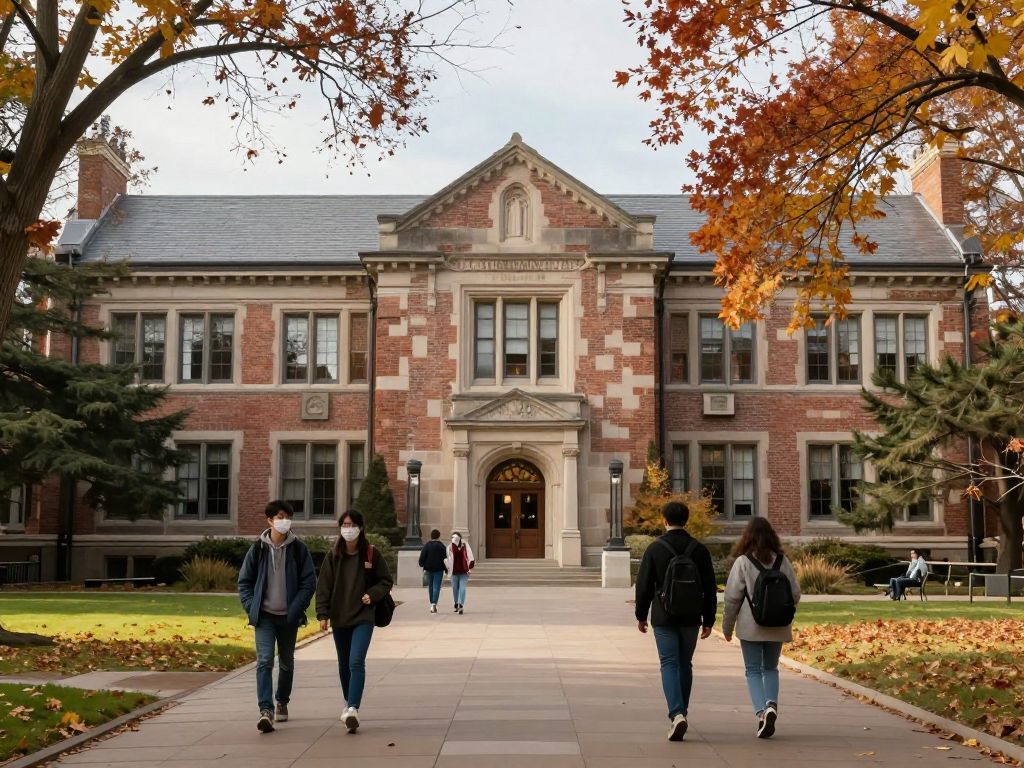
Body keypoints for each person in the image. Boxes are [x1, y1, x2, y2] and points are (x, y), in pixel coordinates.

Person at [634, 500, 717, 742]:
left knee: (668, 663)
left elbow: (644, 586)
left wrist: (641, 615)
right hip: (691, 616)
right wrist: (709, 619)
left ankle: (677, 713)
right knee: (685, 663)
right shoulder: (699, 549)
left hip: (664, 615)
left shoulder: (655, 548)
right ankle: (682, 711)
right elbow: (710, 588)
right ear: (687, 520)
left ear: (664, 520)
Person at [237, 500, 317, 734]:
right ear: (269, 520)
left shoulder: (299, 549)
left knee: (286, 662)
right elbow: (245, 582)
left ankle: (282, 700)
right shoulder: (258, 549)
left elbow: (309, 582)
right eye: (280, 517)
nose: (284, 521)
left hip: (288, 617)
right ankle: (265, 710)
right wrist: (253, 607)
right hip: (264, 617)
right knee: (264, 662)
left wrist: (296, 609)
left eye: (288, 517)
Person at [722, 517, 801, 739]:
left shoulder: (743, 562)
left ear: (747, 536)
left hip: (751, 625)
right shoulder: (782, 561)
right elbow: (795, 593)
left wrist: (727, 627)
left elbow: (731, 598)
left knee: (753, 670)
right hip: (778, 625)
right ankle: (772, 705)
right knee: (771, 668)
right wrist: (783, 612)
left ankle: (761, 712)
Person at [315, 510, 393, 733]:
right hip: (340, 617)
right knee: (343, 665)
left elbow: (386, 580)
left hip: (363, 616)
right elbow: (324, 587)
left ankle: (352, 708)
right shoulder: (333, 555)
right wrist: (322, 614)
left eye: (351, 524)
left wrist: (374, 594)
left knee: (356, 661)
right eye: (344, 524)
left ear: (360, 527)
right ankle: (349, 703)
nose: (348, 528)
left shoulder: (371, 554)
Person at [419, 529, 448, 613]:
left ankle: (432, 602)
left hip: (428, 569)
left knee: (430, 586)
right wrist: (446, 569)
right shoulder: (441, 546)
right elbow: (445, 558)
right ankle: (434, 604)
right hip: (439, 569)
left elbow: (422, 557)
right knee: (436, 587)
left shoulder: (427, 545)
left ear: (431, 536)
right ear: (439, 536)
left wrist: (422, 564)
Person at [446, 532, 475, 614]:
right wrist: (447, 570)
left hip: (464, 571)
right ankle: (456, 603)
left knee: (462, 588)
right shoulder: (449, 547)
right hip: (454, 572)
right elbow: (447, 560)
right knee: (455, 588)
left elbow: (470, 556)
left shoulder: (465, 545)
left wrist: (470, 568)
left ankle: (460, 604)